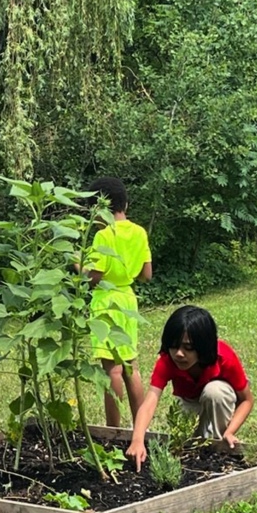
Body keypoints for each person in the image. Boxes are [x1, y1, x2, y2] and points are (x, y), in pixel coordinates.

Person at [126, 306, 254, 470]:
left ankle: (218, 448)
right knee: (188, 444)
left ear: (204, 346)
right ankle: (200, 451)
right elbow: (150, 402)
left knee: (215, 392)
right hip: (188, 401)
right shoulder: (166, 362)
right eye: (174, 346)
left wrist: (229, 432)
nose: (179, 354)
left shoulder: (224, 357)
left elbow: (247, 400)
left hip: (218, 397)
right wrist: (137, 440)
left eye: (188, 348)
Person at [83, 177, 152, 427]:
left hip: (106, 302)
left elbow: (94, 277)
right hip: (128, 301)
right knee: (131, 365)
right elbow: (146, 274)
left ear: (97, 209)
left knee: (111, 370)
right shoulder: (139, 232)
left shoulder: (103, 235)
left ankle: (113, 431)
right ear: (126, 203)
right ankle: (141, 427)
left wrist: (77, 265)